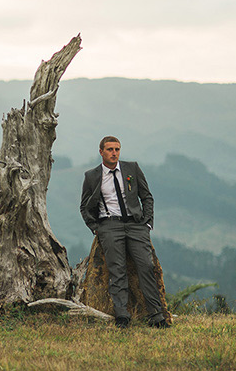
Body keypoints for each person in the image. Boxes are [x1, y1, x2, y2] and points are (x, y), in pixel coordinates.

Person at [80, 136, 169, 329]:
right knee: (117, 269)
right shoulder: (92, 176)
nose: (114, 153)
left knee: (146, 266)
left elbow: (146, 197)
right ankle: (122, 315)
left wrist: (148, 223)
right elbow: (84, 206)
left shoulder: (132, 168)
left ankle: (156, 315)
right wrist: (96, 227)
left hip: (136, 225)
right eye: (110, 149)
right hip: (109, 225)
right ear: (101, 152)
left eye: (117, 149)